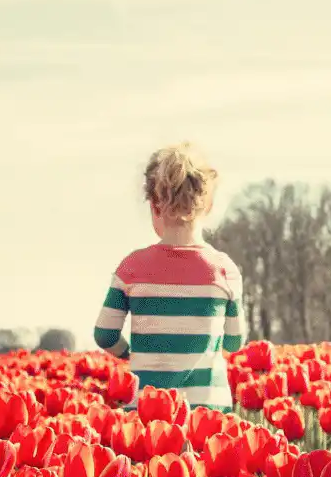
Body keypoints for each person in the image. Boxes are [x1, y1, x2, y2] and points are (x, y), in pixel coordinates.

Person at [91, 143, 245, 411]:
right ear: (207, 206)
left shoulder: (132, 268)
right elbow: (235, 340)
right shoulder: (224, 270)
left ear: (154, 206)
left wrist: (132, 355)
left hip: (147, 409)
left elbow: (104, 334)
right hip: (208, 409)